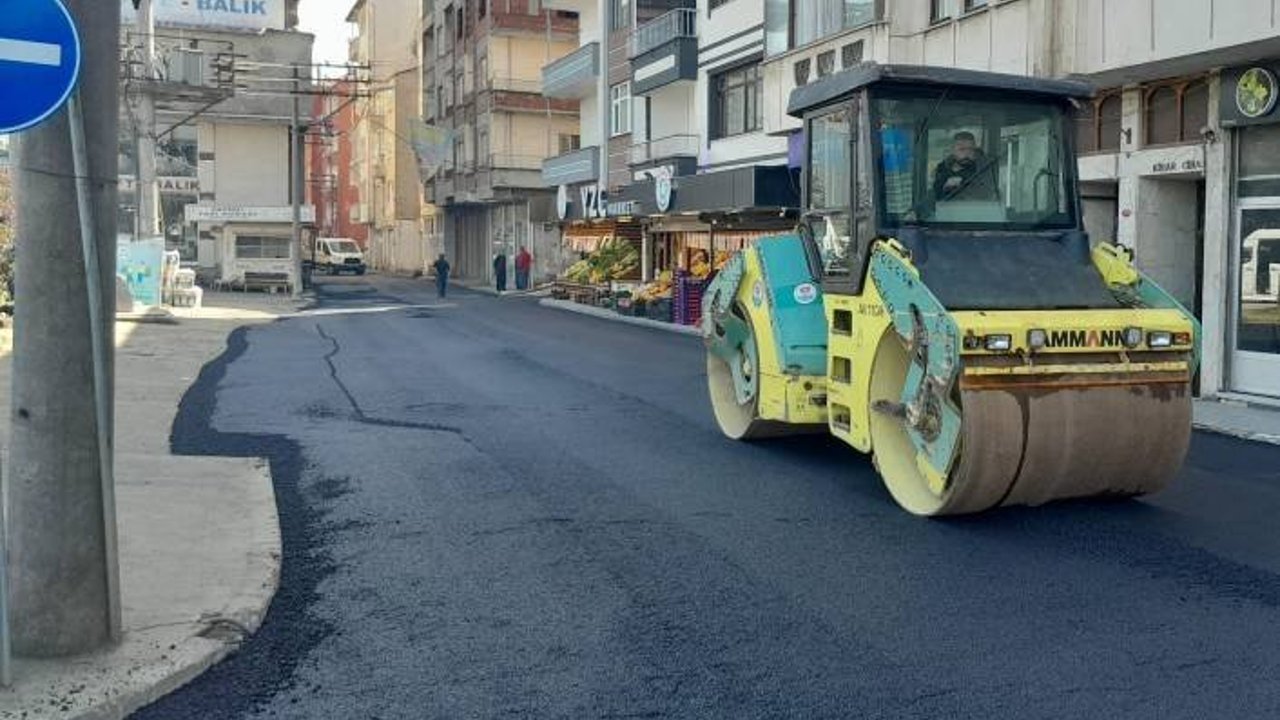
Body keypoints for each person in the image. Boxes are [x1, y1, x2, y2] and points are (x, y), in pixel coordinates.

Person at [932, 131, 998, 201]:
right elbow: (935, 197)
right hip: (948, 210)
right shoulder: (942, 169)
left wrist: (962, 183)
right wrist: (945, 187)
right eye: (962, 149)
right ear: (953, 150)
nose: (966, 153)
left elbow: (988, 193)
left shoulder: (984, 168)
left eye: (970, 149)